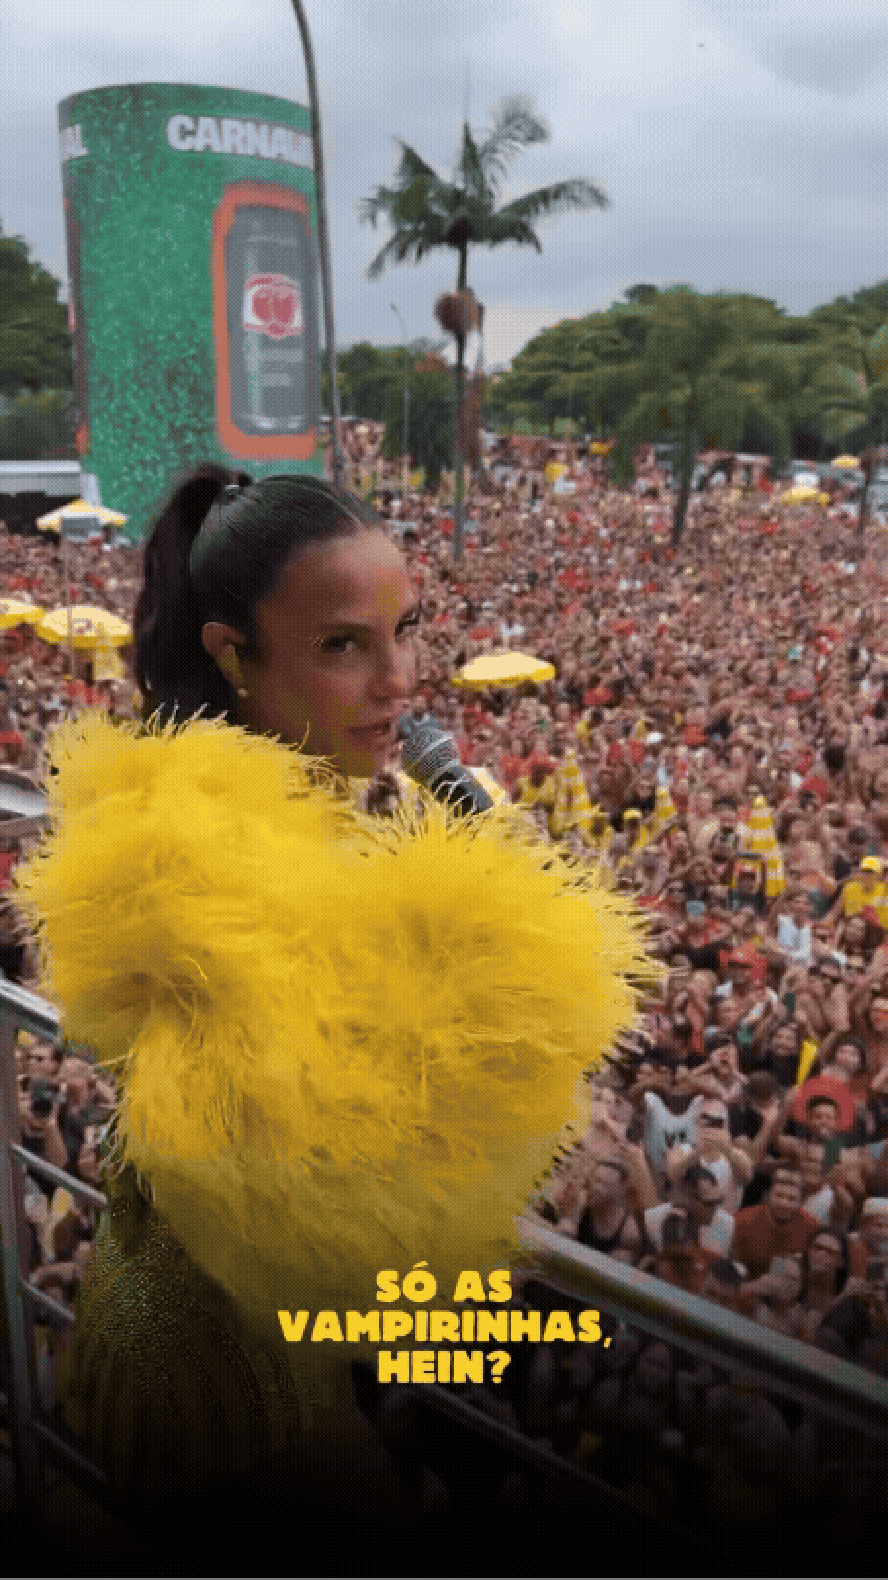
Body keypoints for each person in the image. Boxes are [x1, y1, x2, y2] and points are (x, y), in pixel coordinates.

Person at [13, 465, 654, 1574]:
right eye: (347, 646)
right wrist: (516, 951)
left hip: (217, 1334)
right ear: (232, 651)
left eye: (406, 632)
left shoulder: (287, 807)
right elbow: (345, 1195)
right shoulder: (197, 859)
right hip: (223, 1382)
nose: (402, 679)